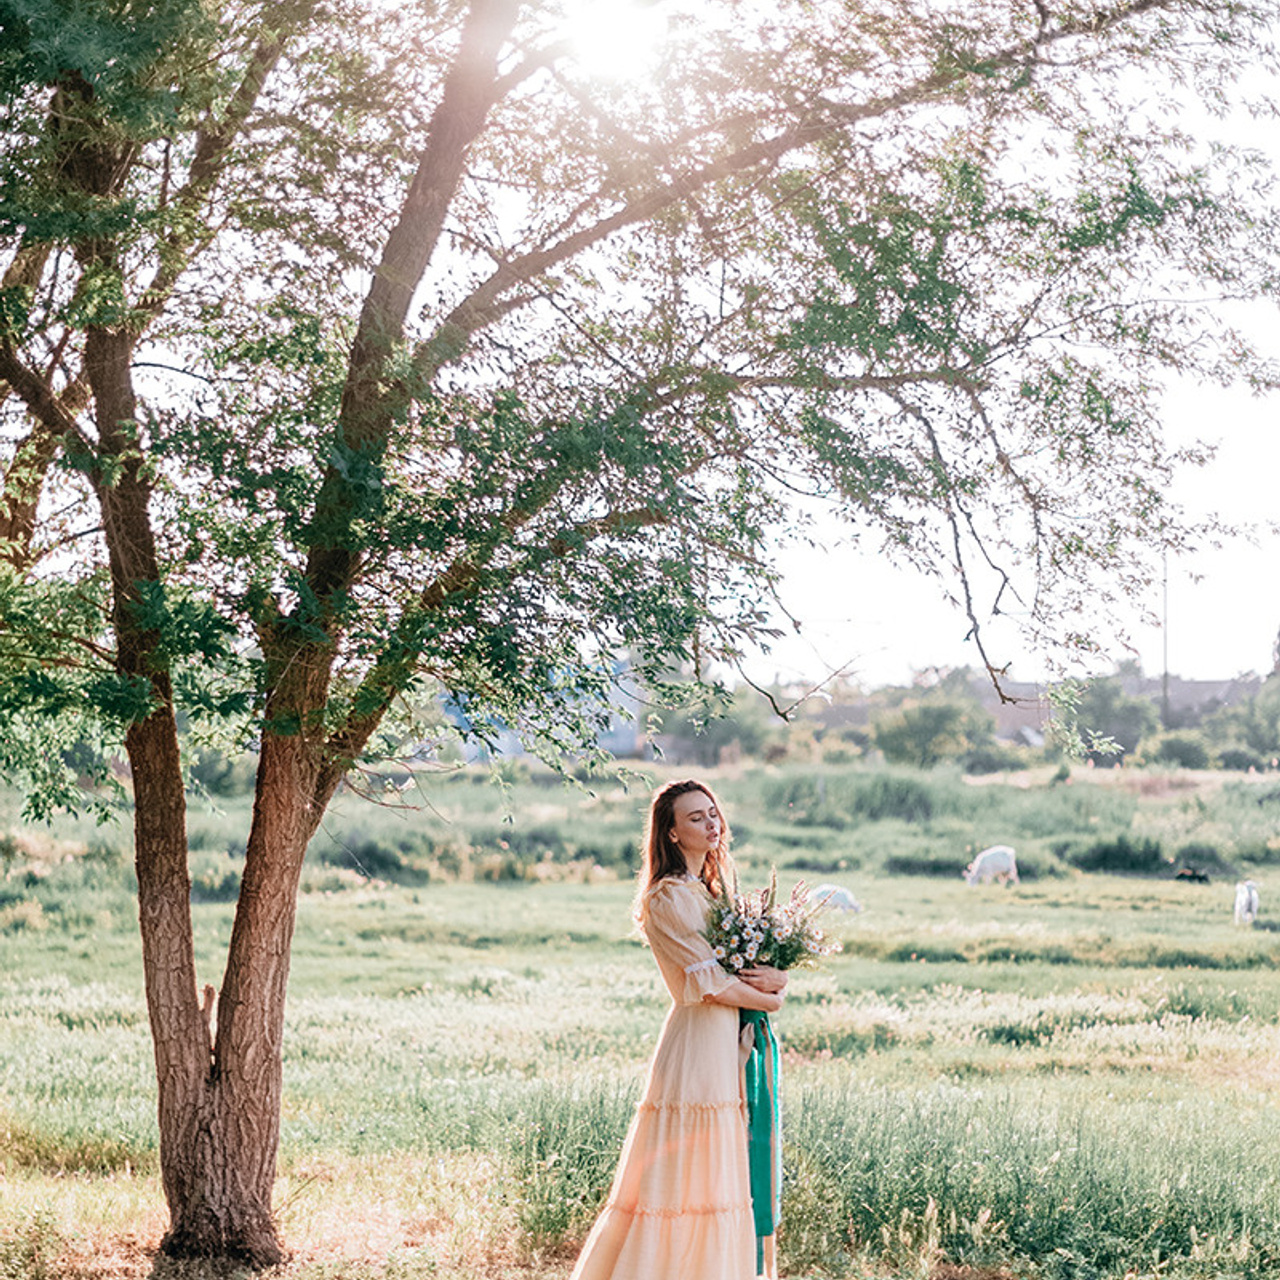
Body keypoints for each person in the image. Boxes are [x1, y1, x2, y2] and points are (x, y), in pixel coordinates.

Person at [569, 778, 788, 1280]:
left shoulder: (710, 893)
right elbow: (707, 983)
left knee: (721, 1171)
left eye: (712, 813)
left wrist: (778, 977)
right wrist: (771, 1000)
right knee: (685, 1170)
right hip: (698, 1040)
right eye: (695, 817)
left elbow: (740, 971)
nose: (711, 824)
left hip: (728, 1036)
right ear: (670, 833)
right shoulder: (667, 898)